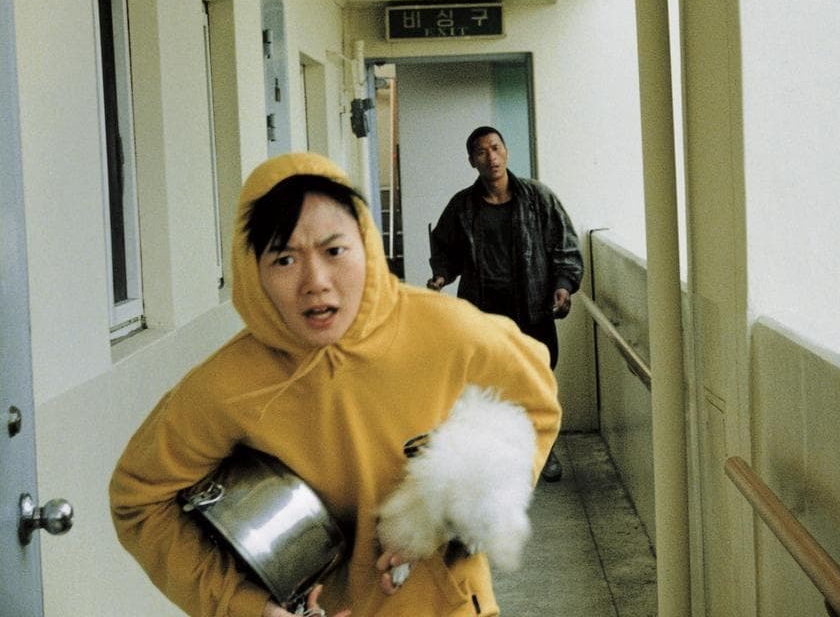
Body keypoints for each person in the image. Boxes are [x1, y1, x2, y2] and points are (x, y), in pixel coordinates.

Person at [109, 152, 561, 617]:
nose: (316, 282)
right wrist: (246, 607)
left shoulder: (448, 330)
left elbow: (535, 403)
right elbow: (139, 500)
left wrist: (461, 515)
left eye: (334, 251)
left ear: (365, 243)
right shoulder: (228, 385)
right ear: (252, 270)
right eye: (284, 259)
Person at [427, 126, 582, 482]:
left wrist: (563, 285)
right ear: (472, 161)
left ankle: (543, 451)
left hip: (533, 307)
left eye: (496, 148)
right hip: (484, 311)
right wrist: (441, 276)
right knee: (490, 386)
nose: (491, 157)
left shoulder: (538, 198)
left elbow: (565, 246)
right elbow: (445, 250)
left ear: (506, 151)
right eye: (482, 152)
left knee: (536, 381)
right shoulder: (462, 206)